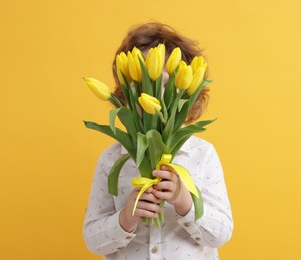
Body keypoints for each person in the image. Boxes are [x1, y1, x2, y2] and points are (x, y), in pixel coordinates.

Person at [83, 22, 233, 260]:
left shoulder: (202, 154)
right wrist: (125, 219)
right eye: (139, 82)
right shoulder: (111, 159)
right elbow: (93, 239)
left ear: (186, 89)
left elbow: (221, 233)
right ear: (125, 91)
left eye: (164, 84)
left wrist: (185, 203)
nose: (150, 92)